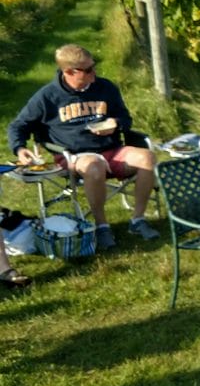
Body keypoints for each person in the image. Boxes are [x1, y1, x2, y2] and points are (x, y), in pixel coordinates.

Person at [7, 44, 160, 250]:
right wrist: (19, 148)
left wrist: (116, 124)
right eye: (87, 70)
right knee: (93, 165)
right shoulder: (47, 96)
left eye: (93, 66)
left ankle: (138, 220)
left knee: (147, 158)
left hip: (111, 148)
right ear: (68, 72)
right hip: (73, 155)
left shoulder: (106, 87)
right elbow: (19, 125)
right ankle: (102, 226)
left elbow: (125, 118)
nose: (93, 73)